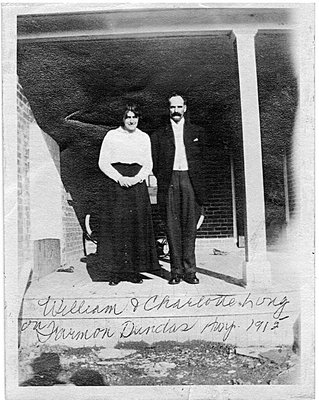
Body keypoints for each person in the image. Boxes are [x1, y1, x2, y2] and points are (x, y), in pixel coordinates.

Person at [98, 104, 160, 285]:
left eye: (135, 117)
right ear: (122, 119)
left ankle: (134, 271)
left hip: (137, 185)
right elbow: (103, 162)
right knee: (116, 227)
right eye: (128, 117)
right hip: (116, 186)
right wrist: (119, 178)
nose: (132, 120)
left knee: (136, 227)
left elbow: (148, 164)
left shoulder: (144, 137)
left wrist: (136, 179)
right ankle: (115, 273)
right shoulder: (111, 135)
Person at [151, 93, 207, 285]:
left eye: (178, 107)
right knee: (172, 227)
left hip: (190, 180)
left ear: (185, 108)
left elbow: (204, 161)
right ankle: (176, 271)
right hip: (170, 181)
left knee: (190, 227)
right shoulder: (159, 135)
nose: (175, 111)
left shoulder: (197, 131)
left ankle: (190, 271)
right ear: (169, 110)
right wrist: (163, 178)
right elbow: (155, 163)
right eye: (172, 107)